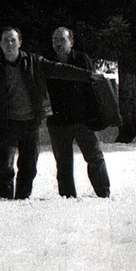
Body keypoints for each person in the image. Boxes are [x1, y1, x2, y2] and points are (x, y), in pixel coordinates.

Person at [0, 27, 101, 200]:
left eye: (13, 40)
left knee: (29, 168)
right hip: (7, 126)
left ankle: (21, 199)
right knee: (5, 167)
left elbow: (60, 69)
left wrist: (88, 76)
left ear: (20, 42)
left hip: (30, 124)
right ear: (0, 45)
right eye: (5, 40)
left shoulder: (34, 62)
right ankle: (4, 201)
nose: (9, 44)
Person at [46, 27, 110, 198]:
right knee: (63, 163)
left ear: (71, 42)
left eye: (61, 39)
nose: (57, 43)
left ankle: (103, 193)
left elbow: (93, 88)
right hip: (58, 122)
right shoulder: (47, 62)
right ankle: (67, 198)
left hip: (83, 120)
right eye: (54, 40)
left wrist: (95, 116)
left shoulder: (82, 59)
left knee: (94, 157)